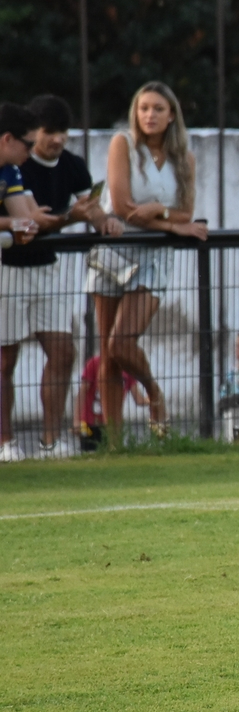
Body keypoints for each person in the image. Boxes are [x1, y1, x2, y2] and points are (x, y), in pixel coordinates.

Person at [1, 95, 125, 461]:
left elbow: (40, 218)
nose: (57, 139)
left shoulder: (24, 170)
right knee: (5, 360)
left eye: (63, 132)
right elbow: (32, 220)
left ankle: (50, 442)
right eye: (47, 132)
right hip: (8, 270)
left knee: (62, 352)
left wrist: (103, 221)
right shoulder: (20, 166)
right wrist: (61, 218)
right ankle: (5, 443)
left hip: (48, 270)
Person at [89, 81, 207, 446]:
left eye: (158, 108)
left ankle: (154, 393)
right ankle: (114, 444)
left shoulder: (184, 158)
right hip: (114, 250)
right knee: (107, 354)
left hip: (154, 256)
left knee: (122, 342)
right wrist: (172, 225)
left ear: (171, 115)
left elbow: (186, 211)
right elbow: (122, 207)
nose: (150, 115)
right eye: (143, 108)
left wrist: (160, 211)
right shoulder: (123, 145)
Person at [0, 102, 41, 462]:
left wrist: (23, 226)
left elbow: (24, 217)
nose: (32, 151)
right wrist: (11, 225)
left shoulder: (11, 171)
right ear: (7, 139)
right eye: (28, 144)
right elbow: (13, 222)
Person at [74, 354, 148, 452]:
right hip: (91, 423)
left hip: (112, 425)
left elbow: (139, 399)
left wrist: (155, 399)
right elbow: (82, 392)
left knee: (112, 453)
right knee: (90, 455)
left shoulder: (128, 370)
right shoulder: (94, 363)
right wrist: (76, 420)